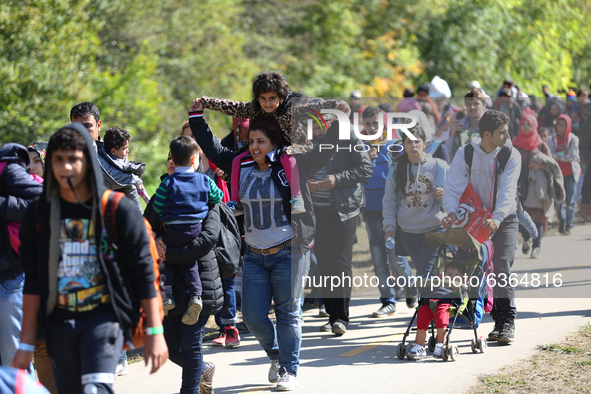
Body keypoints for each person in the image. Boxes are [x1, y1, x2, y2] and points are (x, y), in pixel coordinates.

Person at [188, 100, 345, 390]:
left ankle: (290, 370)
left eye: (261, 141)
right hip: (255, 255)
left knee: (288, 313)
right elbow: (211, 147)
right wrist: (196, 116)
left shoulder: (295, 163)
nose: (254, 146)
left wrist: (341, 120)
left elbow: (328, 148)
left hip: (290, 251)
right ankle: (276, 356)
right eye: (251, 141)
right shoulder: (239, 165)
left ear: (275, 144)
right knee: (253, 316)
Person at [13, 124, 167, 392]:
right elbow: (34, 282)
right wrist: (25, 343)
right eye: (59, 159)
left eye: (74, 158)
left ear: (88, 161)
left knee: (95, 388)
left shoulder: (117, 210)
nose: (66, 167)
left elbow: (145, 273)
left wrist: (155, 331)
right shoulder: (39, 215)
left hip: (105, 320)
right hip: (59, 325)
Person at [196, 72, 348, 215]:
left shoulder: (291, 108)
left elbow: (313, 108)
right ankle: (236, 202)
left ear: (281, 98)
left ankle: (297, 197)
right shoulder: (254, 108)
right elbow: (233, 107)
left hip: (289, 146)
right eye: (263, 98)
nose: (267, 103)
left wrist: (335, 104)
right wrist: (206, 102)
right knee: (236, 160)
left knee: (287, 156)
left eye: (272, 98)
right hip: (261, 148)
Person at [145, 152, 221, 394]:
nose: (171, 161)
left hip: (198, 283)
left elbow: (208, 238)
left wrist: (169, 253)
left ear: (192, 163)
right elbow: (144, 230)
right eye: (168, 157)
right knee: (170, 346)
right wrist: (154, 240)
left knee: (190, 345)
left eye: (176, 158)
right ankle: (204, 368)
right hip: (166, 287)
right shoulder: (160, 195)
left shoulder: (204, 193)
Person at [442, 110, 521, 344]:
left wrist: (497, 217)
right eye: (502, 132)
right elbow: (453, 186)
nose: (508, 135)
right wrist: (451, 212)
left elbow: (508, 190)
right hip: (475, 220)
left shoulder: (510, 154)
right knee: (476, 267)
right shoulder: (465, 153)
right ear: (487, 134)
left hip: (504, 218)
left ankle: (505, 320)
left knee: (500, 265)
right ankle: (474, 314)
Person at [306, 103, 372, 336]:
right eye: (312, 126)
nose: (317, 130)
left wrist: (337, 178)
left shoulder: (347, 136)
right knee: (323, 262)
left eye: (320, 125)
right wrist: (306, 185)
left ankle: (341, 318)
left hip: (344, 209)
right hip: (316, 211)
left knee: (340, 262)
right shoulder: (303, 141)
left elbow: (365, 168)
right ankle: (331, 314)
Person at [154, 136, 223, 325]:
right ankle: (196, 296)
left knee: (168, 261)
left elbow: (157, 206)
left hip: (172, 230)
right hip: (195, 229)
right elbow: (218, 197)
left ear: (173, 161)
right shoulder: (204, 180)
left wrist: (166, 213)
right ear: (194, 159)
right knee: (190, 263)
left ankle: (167, 295)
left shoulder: (167, 183)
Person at [360, 107, 414, 317]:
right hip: (371, 210)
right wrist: (365, 158)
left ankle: (411, 285)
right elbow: (354, 174)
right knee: (377, 257)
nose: (372, 128)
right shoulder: (360, 146)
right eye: (368, 124)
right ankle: (387, 300)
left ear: (383, 124)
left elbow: (405, 172)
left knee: (395, 256)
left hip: (392, 210)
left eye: (376, 123)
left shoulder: (395, 145)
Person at [382, 124, 448, 287]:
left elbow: (454, 196)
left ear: (425, 143)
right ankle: (435, 307)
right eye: (409, 142)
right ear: (403, 145)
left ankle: (426, 309)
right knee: (426, 273)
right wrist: (389, 226)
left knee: (424, 275)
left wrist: (443, 196)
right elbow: (389, 200)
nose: (413, 146)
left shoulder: (439, 166)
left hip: (435, 229)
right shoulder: (395, 169)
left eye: (417, 142)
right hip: (408, 232)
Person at [0, 143, 43, 369]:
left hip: (6, 280)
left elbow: (41, 200)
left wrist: (3, 204)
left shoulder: (6, 166)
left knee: (13, 364)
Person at [69, 102, 144, 211]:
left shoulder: (113, 151)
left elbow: (129, 188)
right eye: (77, 127)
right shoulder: (64, 156)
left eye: (87, 126)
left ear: (98, 125)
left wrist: (139, 219)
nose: (82, 132)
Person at [513, 115, 559, 258]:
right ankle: (526, 239)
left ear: (534, 127)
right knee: (521, 215)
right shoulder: (514, 143)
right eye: (523, 124)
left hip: (537, 185)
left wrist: (541, 165)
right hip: (518, 184)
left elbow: (552, 164)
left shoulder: (540, 145)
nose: (526, 127)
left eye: (529, 124)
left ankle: (536, 247)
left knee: (538, 216)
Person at [406, 262, 466, 360]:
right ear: (444, 275)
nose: (452, 277)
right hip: (429, 303)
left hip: (444, 304)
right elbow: (426, 288)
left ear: (462, 279)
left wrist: (459, 290)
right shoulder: (437, 282)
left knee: (441, 319)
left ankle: (440, 345)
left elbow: (463, 297)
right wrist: (425, 282)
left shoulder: (458, 288)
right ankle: (420, 346)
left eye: (456, 276)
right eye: (449, 274)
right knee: (421, 317)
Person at [548, 114, 581, 235]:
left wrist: (558, 154)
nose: (561, 127)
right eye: (559, 125)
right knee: (558, 201)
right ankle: (562, 220)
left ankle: (569, 225)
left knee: (571, 201)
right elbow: (550, 155)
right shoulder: (551, 139)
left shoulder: (573, 139)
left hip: (571, 173)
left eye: (563, 125)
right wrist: (563, 152)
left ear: (568, 126)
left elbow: (572, 156)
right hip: (557, 175)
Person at [103, 126, 150, 204]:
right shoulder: (111, 171)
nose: (127, 150)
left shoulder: (118, 158)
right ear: (113, 151)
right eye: (125, 148)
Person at [446, 88, 487, 161]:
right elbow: (448, 157)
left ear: (484, 106)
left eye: (476, 103)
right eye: (469, 104)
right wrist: (452, 135)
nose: (472, 107)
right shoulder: (459, 128)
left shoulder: (492, 127)